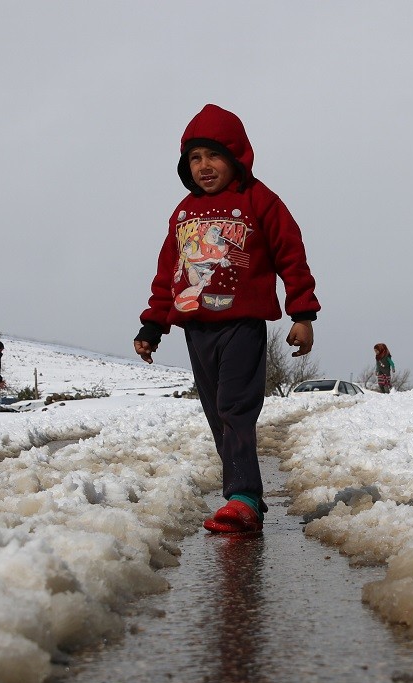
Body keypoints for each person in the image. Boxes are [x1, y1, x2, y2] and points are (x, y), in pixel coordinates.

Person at [134, 103, 321, 534]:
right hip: (196, 325)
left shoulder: (260, 200)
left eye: (214, 155)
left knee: (236, 407)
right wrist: (152, 324)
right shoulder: (183, 212)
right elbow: (169, 272)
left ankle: (243, 497)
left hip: (242, 321)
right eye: (194, 158)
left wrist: (302, 313)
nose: (204, 166)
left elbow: (290, 255)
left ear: (236, 156)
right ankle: (243, 495)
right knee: (216, 412)